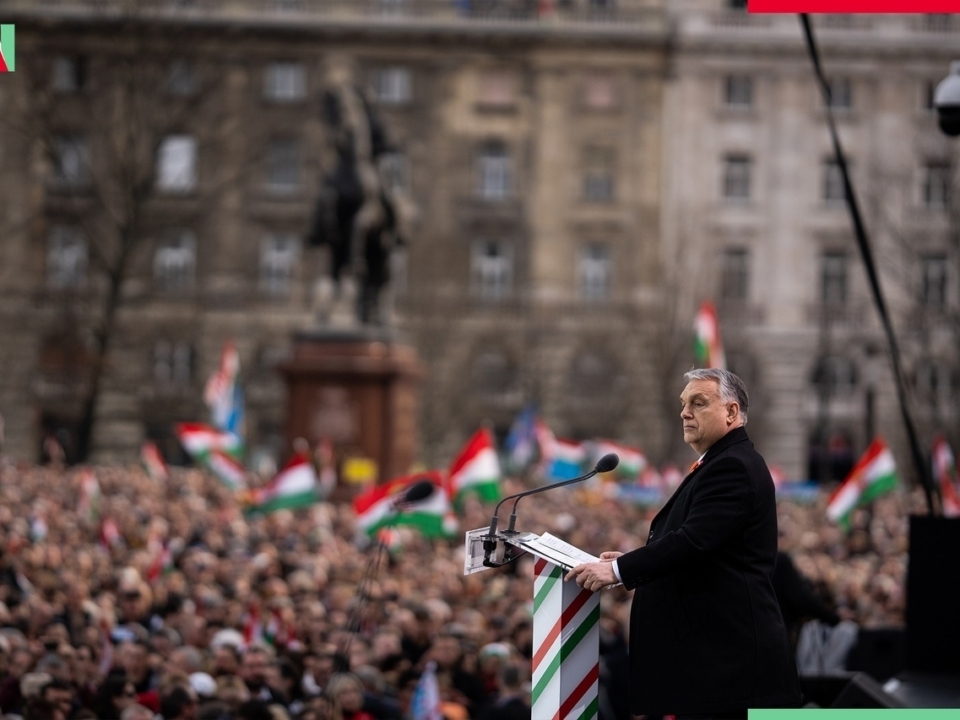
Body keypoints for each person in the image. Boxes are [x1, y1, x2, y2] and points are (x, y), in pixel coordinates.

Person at [566, 368, 801, 718]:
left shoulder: (732, 466)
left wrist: (616, 570)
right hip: (714, 668)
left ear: (731, 413)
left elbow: (692, 542)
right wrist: (635, 559)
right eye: (683, 403)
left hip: (729, 670)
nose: (684, 412)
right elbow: (701, 549)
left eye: (698, 402)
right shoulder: (720, 462)